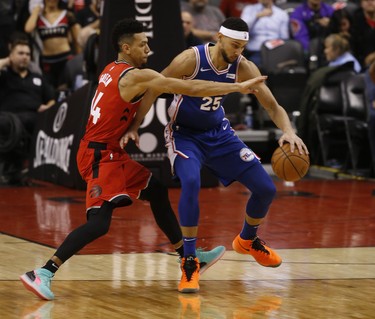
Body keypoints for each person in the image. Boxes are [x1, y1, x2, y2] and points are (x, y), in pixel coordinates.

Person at [19, 18, 267, 300]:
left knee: (157, 191)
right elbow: (192, 88)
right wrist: (237, 87)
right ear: (126, 48)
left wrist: (133, 126)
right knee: (99, 224)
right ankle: (43, 272)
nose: (148, 48)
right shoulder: (136, 76)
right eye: (142, 44)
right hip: (100, 154)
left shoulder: (111, 69)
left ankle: (188, 255)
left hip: (110, 151)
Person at [122, 17, 308, 293]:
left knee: (266, 189)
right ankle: (189, 260)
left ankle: (247, 240)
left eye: (243, 46)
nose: (238, 52)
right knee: (192, 183)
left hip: (219, 134)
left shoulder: (243, 67)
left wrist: (289, 131)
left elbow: (272, 105)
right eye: (234, 45)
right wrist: (135, 125)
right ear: (219, 37)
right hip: (184, 134)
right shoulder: (190, 59)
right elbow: (155, 87)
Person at [0, 34, 55, 185]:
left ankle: (26, 169)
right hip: (9, 119)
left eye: (27, 54)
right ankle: (12, 168)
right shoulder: (5, 75)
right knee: (7, 123)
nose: (25, 57)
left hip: (35, 118)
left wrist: (48, 108)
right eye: (20, 53)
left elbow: (51, 99)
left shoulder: (37, 78)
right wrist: (6, 61)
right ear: (11, 55)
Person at [24, 0, 81, 89]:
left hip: (66, 59)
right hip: (47, 61)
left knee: (66, 90)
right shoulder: (39, 17)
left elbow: (77, 40)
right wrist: (36, 11)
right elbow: (28, 28)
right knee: (50, 90)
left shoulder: (67, 15)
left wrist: (79, 58)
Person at [241, 0, 290, 67]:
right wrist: (257, 16)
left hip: (275, 51)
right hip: (255, 51)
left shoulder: (281, 14)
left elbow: (284, 37)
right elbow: (242, 30)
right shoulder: (249, 10)